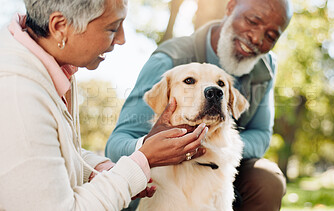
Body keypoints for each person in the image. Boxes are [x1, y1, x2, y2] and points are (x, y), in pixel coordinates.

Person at [0, 0, 208, 210]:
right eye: (112, 28)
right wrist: (142, 161)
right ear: (59, 26)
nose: (122, 39)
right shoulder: (18, 95)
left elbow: (51, 155)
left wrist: (103, 170)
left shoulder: (52, 64)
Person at [106, 0, 293, 210]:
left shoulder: (266, 67)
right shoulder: (169, 59)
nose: (256, 38)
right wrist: (158, 147)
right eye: (252, 21)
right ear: (230, 7)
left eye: (270, 36)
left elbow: (260, 133)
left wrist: (217, 148)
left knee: (268, 179)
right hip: (164, 172)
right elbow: (116, 145)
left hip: (225, 163)